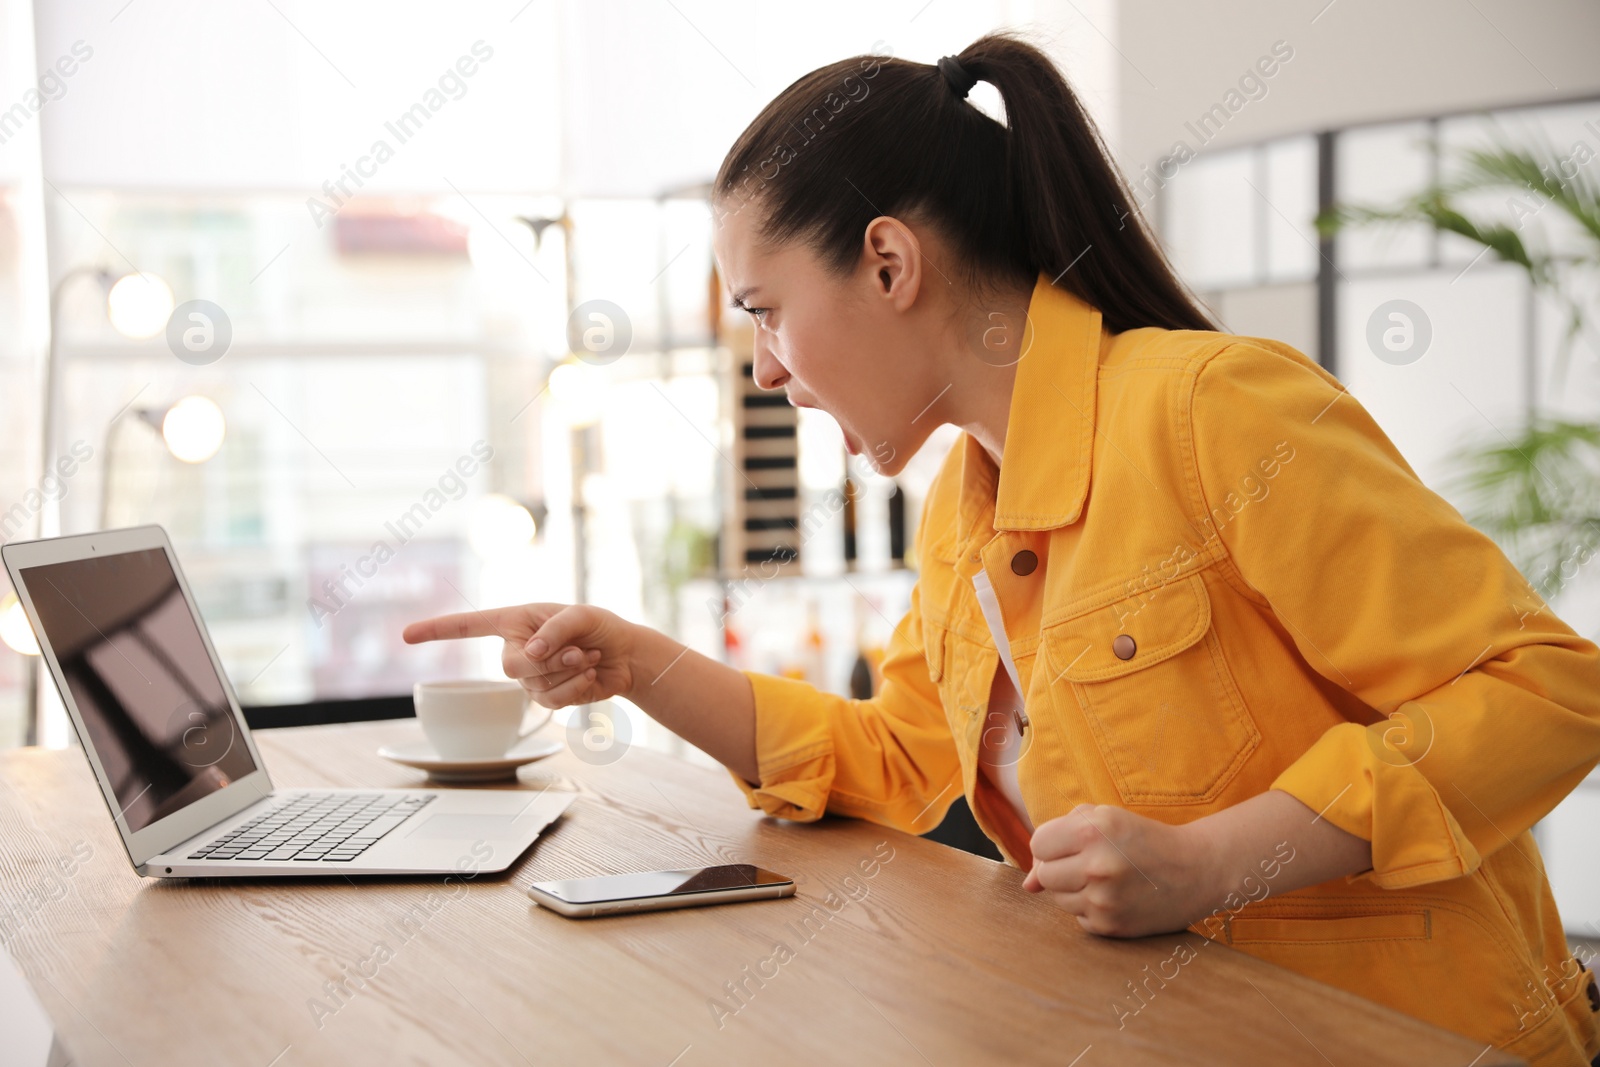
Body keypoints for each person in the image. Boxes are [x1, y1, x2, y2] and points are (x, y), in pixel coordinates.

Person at [404, 33, 1600, 1067]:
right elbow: (901, 755)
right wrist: (639, 663)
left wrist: (1207, 862)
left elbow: (1544, 692)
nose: (764, 368)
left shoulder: (1213, 410)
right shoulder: (967, 502)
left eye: (764, 309)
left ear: (888, 263)